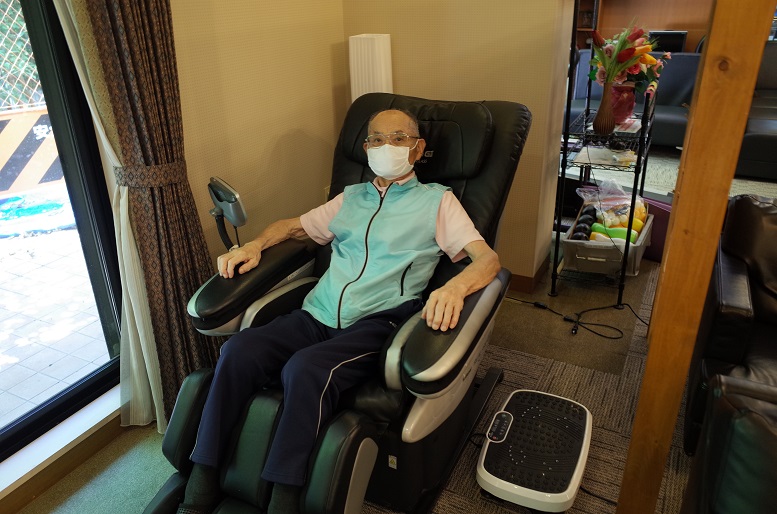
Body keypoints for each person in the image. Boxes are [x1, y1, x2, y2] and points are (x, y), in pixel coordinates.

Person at [176, 109, 500, 514]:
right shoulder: (352, 197)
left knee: (305, 369)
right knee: (237, 351)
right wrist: (254, 245)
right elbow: (292, 226)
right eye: (376, 139)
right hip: (317, 312)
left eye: (398, 138)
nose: (386, 146)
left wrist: (455, 287)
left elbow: (487, 260)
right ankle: (202, 477)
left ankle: (284, 498)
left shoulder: (437, 201)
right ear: (365, 148)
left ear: (418, 149)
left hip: (377, 320)